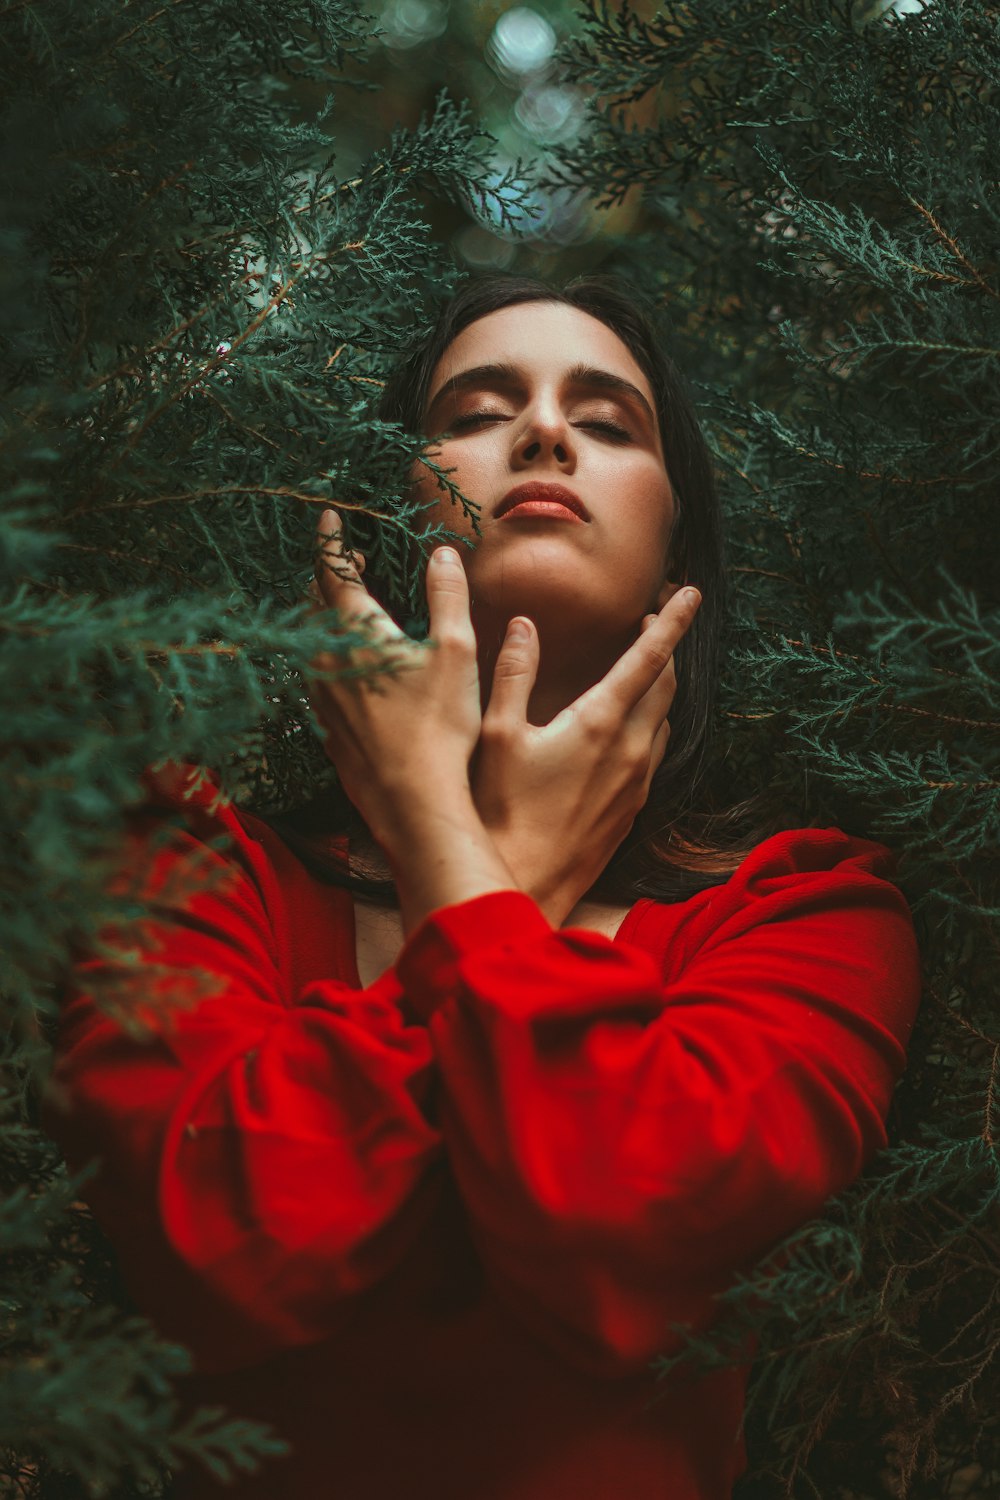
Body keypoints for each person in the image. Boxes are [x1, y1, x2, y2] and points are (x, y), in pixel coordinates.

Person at [47, 276, 921, 1500]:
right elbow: (224, 1253)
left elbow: (618, 1238)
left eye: (610, 422)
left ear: (681, 543)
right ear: (378, 513)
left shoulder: (802, 911)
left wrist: (445, 849)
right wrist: (498, 867)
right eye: (474, 410)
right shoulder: (197, 862)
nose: (546, 434)